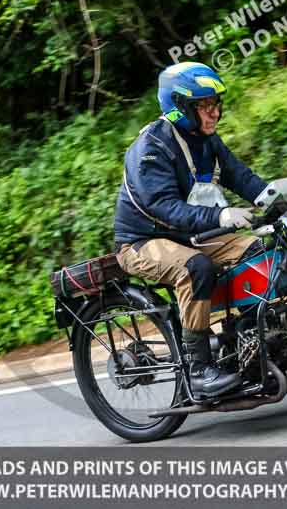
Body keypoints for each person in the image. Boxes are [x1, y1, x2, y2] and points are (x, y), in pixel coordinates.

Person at [112, 62, 277, 399]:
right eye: (204, 106)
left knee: (257, 252)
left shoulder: (206, 140)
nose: (214, 113)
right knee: (194, 267)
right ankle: (199, 370)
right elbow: (165, 207)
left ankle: (248, 346)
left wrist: (277, 201)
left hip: (190, 236)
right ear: (180, 107)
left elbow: (239, 175)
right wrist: (220, 217)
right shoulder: (151, 148)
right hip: (142, 242)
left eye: (216, 104)